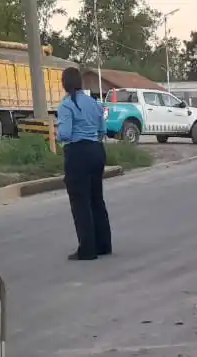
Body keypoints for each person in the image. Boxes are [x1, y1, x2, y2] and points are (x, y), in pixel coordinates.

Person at [56, 67, 111, 261]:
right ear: (80, 82)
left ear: (64, 84)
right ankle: (104, 244)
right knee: (97, 198)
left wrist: (58, 134)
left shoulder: (66, 105)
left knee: (81, 202)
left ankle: (87, 249)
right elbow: (102, 129)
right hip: (97, 151)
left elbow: (64, 134)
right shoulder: (93, 102)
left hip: (78, 153)